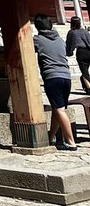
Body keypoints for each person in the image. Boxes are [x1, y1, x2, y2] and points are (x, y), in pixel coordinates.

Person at [33, 14, 78, 150]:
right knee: (57, 109)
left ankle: (71, 142)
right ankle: (51, 137)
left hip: (52, 77)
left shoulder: (37, 40)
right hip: (66, 77)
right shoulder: (59, 39)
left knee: (59, 109)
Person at [65, 15, 90, 94]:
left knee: (85, 72)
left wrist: (69, 52)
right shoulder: (84, 31)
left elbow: (69, 44)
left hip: (81, 52)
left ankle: (89, 88)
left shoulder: (72, 32)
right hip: (89, 50)